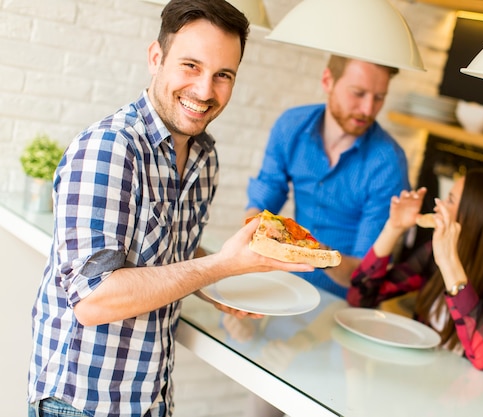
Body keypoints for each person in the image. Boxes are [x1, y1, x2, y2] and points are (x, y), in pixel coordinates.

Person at [26, 1, 314, 416]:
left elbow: (169, 254)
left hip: (150, 397)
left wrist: (225, 280)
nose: (204, 90)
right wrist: (220, 267)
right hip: (80, 403)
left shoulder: (204, 156)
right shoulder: (109, 150)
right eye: (191, 66)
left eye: (223, 75)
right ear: (155, 58)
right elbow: (93, 300)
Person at [348, 168, 483, 376]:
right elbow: (359, 297)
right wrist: (393, 228)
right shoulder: (435, 252)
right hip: (417, 382)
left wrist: (450, 266)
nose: (439, 206)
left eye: (449, 200)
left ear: (475, 215)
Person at [245, 55, 411, 298]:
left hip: (343, 302)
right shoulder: (291, 126)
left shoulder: (388, 163)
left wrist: (313, 252)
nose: (368, 109)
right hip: (288, 285)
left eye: (379, 98)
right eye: (358, 93)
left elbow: (362, 273)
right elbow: (261, 202)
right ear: (327, 81)